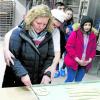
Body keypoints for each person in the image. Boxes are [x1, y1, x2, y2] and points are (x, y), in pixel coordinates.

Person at [3, 8, 66, 84]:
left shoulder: (51, 34)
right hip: (18, 77)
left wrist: (50, 70)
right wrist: (6, 49)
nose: (41, 26)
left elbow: (53, 55)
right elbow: (9, 36)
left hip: (37, 76)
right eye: (38, 23)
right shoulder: (21, 30)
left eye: (44, 24)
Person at [64, 16, 96, 82]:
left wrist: (89, 60)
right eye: (85, 24)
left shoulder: (93, 36)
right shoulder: (75, 33)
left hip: (85, 63)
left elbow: (93, 49)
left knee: (78, 81)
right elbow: (69, 46)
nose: (87, 27)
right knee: (70, 79)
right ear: (82, 24)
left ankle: (75, 92)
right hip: (73, 61)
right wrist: (77, 59)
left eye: (89, 25)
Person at [54, 7, 74, 78]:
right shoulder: (60, 21)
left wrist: (71, 32)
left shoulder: (72, 23)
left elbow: (73, 34)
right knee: (57, 56)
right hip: (60, 43)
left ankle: (62, 69)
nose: (69, 15)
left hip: (68, 44)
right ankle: (56, 70)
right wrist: (65, 29)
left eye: (70, 14)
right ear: (64, 13)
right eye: (68, 13)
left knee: (66, 57)